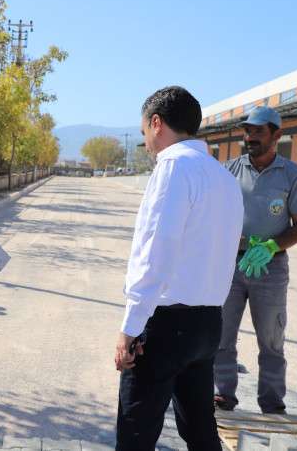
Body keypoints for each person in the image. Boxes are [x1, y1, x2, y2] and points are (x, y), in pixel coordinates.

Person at [114, 86, 243, 451]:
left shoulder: (172, 167)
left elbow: (155, 251)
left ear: (156, 123)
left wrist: (129, 328)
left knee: (136, 434)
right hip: (208, 323)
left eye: (144, 132)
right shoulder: (223, 177)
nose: (146, 142)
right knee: (201, 433)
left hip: (166, 325)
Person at [214, 106, 297, 414]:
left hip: (271, 267)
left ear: (277, 134)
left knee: (271, 339)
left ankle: (271, 402)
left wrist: (271, 246)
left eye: (258, 131)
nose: (250, 137)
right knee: (221, 334)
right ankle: (222, 394)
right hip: (230, 264)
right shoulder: (229, 171)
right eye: (248, 131)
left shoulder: (292, 174)